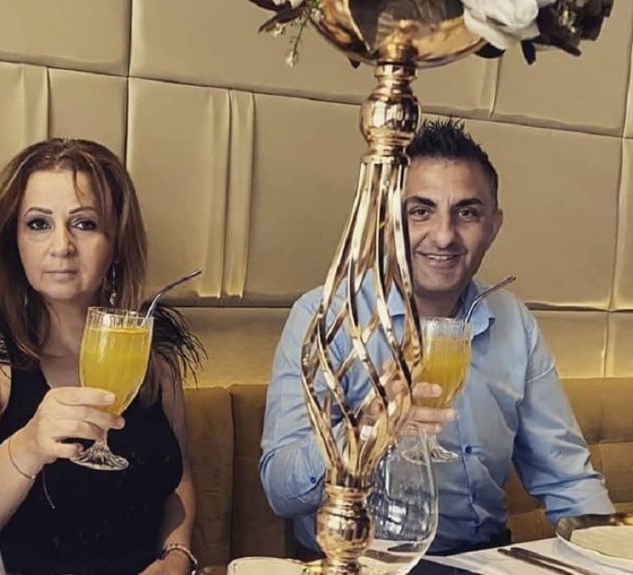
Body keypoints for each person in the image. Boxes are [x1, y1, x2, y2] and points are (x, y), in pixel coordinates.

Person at [260, 119, 614, 556]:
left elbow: (568, 478)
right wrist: (366, 431)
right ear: (386, 220)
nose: (444, 235)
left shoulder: (513, 321)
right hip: (362, 562)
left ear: (493, 226)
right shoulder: (327, 315)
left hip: (483, 560)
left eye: (467, 213)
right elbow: (280, 488)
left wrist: (609, 555)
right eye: (420, 211)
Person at [0, 138, 202, 575]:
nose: (61, 246)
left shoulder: (148, 340)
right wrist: (28, 446)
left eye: (84, 224)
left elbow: (177, 476)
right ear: (14, 241)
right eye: (38, 224)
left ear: (116, 240)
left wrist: (177, 556)